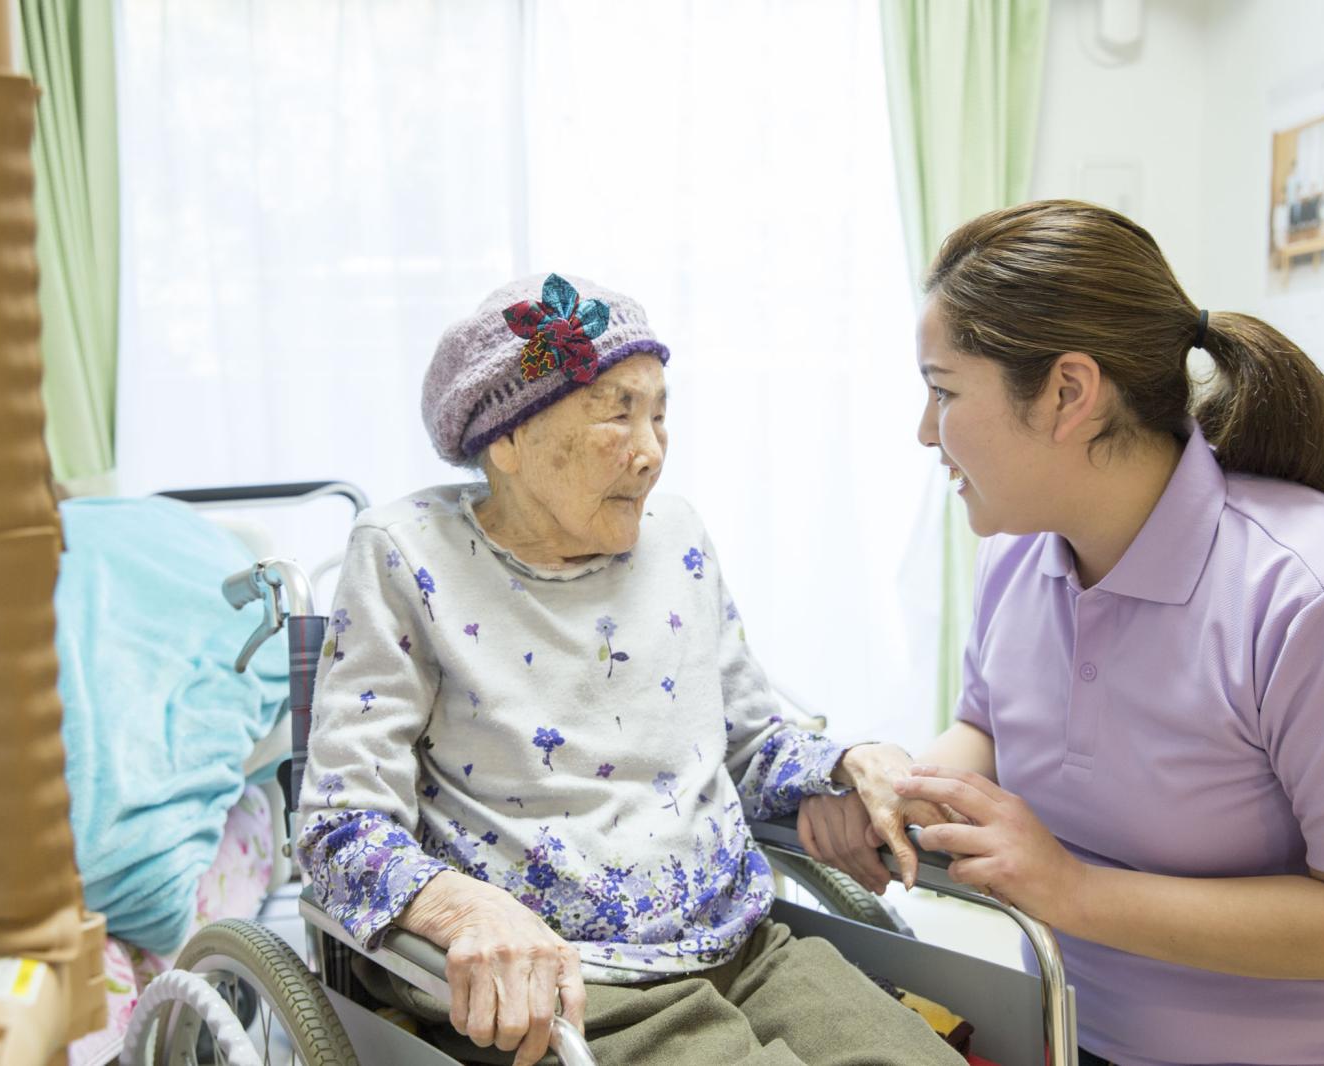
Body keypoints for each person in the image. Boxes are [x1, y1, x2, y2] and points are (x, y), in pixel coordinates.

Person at [799, 200, 1324, 1066]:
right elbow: (991, 728)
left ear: (1069, 393)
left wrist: (1071, 890)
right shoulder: (1024, 559)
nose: (926, 431)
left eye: (943, 391)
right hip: (1063, 1036)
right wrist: (900, 799)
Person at [296, 272, 960, 1066]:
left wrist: (847, 764)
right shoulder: (407, 555)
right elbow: (340, 825)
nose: (650, 454)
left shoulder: (676, 537)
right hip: (565, 985)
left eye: (659, 412)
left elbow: (749, 743)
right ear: (504, 440)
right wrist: (458, 908)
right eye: (617, 413)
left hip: (742, 945)